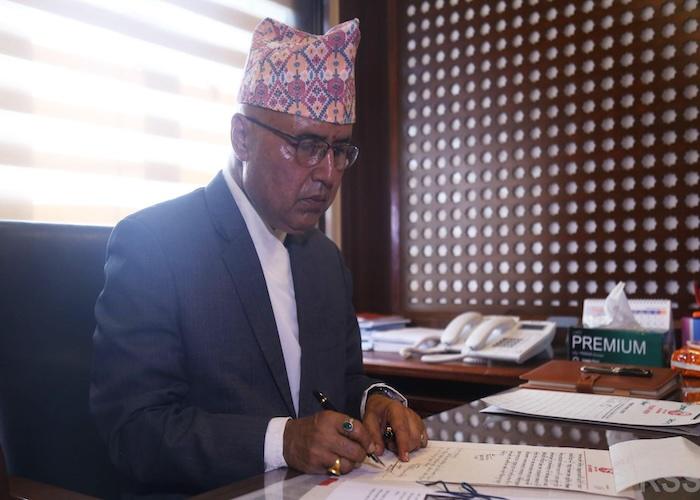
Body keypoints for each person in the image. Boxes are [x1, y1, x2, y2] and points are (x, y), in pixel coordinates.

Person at [90, 17, 426, 496]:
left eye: (340, 150)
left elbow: (342, 381)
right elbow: (135, 431)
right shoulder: (155, 244)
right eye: (307, 145)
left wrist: (376, 401)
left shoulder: (323, 260)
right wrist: (283, 441)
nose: (328, 174)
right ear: (241, 137)